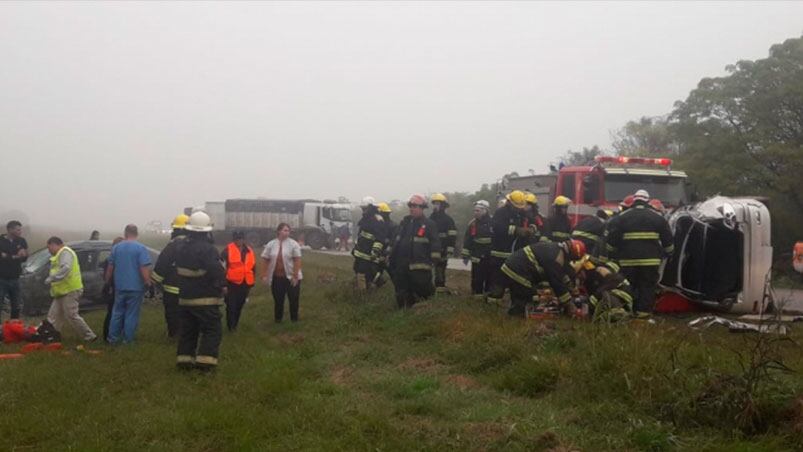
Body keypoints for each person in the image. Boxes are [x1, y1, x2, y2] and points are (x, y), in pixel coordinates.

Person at [605, 189, 674, 315]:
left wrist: (612, 254)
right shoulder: (657, 218)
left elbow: (612, 239)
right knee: (647, 287)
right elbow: (668, 241)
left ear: (634, 200)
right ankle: (643, 314)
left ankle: (627, 311)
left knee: (628, 286)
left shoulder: (621, 217)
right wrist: (668, 253)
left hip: (627, 261)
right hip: (650, 261)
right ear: (647, 201)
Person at [175, 211, 227, 370]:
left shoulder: (180, 247)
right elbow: (216, 271)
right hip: (206, 300)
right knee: (212, 331)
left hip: (185, 299)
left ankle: (184, 362)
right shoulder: (208, 249)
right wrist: (224, 285)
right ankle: (205, 364)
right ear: (207, 231)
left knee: (188, 332)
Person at [498, 239, 587, 317]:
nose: (571, 261)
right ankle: (514, 319)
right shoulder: (557, 257)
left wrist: (571, 287)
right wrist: (569, 305)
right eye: (573, 259)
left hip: (514, 267)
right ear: (571, 255)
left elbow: (562, 274)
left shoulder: (558, 249)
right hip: (518, 271)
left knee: (522, 295)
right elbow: (557, 283)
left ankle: (511, 316)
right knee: (526, 297)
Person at [389, 194, 441, 309]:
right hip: (402, 266)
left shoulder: (429, 225)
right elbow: (396, 241)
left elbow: (435, 244)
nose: (411, 208)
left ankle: (424, 314)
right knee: (401, 291)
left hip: (420, 268)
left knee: (423, 291)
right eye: (410, 206)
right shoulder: (405, 223)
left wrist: (434, 261)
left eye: (415, 206)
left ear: (422, 208)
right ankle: (403, 313)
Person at [105, 224, 152, 344]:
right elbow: (143, 267)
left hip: (120, 285)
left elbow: (110, 267)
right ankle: (128, 340)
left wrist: (107, 282)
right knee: (131, 313)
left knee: (117, 312)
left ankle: (113, 339)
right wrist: (148, 282)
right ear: (137, 234)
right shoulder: (141, 248)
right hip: (135, 286)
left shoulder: (116, 248)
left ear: (125, 233)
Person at [44, 236, 97, 341]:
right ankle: (52, 335)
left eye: (49, 247)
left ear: (55, 244)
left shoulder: (65, 252)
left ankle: (89, 336)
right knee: (53, 315)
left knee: (71, 315)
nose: (49, 250)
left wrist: (52, 278)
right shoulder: (60, 254)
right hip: (61, 291)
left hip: (70, 290)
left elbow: (66, 268)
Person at [486, 190, 531, 305]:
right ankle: (493, 303)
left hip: (516, 254)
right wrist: (516, 230)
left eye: (520, 207)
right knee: (498, 279)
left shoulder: (522, 214)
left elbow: (531, 223)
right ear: (509, 202)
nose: (518, 208)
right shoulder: (501, 213)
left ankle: (516, 303)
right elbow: (496, 228)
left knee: (516, 279)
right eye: (516, 206)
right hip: (499, 253)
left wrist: (530, 230)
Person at [152, 214, 189, 338]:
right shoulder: (197, 245)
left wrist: (155, 280)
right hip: (192, 289)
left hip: (172, 289)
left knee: (173, 313)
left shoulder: (172, 245)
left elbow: (162, 264)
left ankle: (174, 335)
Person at [261, 223, 303, 322]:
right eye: (285, 230)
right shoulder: (271, 244)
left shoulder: (293, 244)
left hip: (291, 277)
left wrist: (295, 275)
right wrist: (263, 275)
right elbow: (265, 259)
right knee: (278, 299)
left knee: (293, 299)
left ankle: (294, 319)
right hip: (277, 277)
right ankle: (278, 319)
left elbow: (297, 260)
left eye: (288, 230)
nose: (287, 232)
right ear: (279, 231)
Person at [221, 231, 255, 331]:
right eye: (237, 239)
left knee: (240, 305)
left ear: (244, 239)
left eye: (241, 239)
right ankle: (231, 327)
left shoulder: (249, 250)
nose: (239, 241)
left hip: (245, 283)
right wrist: (224, 285)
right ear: (234, 239)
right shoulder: (227, 250)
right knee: (231, 306)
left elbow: (253, 267)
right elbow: (222, 269)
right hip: (231, 283)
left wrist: (251, 282)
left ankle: (235, 324)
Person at [352, 196, 387, 290]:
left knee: (364, 272)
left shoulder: (377, 220)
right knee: (358, 269)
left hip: (368, 253)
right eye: (362, 208)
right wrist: (355, 247)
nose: (363, 210)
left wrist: (375, 251)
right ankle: (365, 289)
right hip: (361, 252)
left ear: (371, 208)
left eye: (365, 208)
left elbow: (380, 238)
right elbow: (361, 235)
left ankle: (362, 293)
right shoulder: (365, 219)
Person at [461, 200, 493, 298]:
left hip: (490, 256)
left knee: (490, 277)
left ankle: (488, 295)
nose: (475, 213)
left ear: (485, 211)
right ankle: (476, 296)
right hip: (477, 256)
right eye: (474, 211)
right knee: (477, 278)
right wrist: (465, 255)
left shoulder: (493, 222)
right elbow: (467, 240)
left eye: (478, 211)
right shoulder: (472, 224)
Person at [0, 220, 28, 321]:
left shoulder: (22, 241)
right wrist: (15, 256)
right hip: (1, 278)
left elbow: (24, 257)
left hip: (15, 278)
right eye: (18, 230)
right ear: (10, 230)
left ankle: (14, 329)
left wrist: (23, 255)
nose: (20, 232)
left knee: (16, 306)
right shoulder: (1, 240)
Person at [429, 193, 457, 294]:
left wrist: (449, 249)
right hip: (430, 248)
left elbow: (452, 236)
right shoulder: (430, 218)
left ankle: (440, 288)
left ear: (443, 205)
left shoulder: (448, 220)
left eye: (437, 204)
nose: (435, 206)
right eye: (434, 203)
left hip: (443, 249)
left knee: (440, 269)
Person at [101, 237, 124, 342]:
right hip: (118, 288)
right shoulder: (117, 259)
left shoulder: (109, 258)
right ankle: (112, 336)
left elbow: (106, 275)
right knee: (116, 313)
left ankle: (108, 335)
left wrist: (107, 285)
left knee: (111, 312)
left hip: (113, 288)